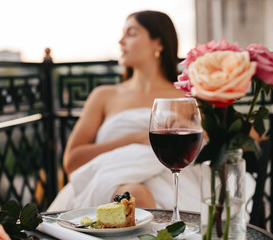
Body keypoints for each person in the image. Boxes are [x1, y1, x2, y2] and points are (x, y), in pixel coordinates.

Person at [48, 10, 255, 212]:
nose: (121, 41)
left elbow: (249, 136)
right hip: (111, 180)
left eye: (131, 33)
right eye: (122, 34)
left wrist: (203, 129)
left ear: (159, 43)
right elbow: (72, 161)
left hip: (174, 183)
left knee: (137, 198)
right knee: (133, 195)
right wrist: (136, 138)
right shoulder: (104, 95)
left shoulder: (189, 95)